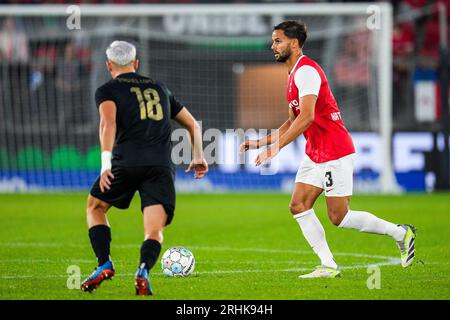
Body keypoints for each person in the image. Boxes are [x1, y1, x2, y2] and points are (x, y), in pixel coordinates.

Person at [240, 21, 416, 278]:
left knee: (339, 217)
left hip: (335, 150)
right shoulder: (292, 75)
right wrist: (261, 142)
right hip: (315, 152)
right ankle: (329, 265)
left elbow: (307, 117)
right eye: (273, 41)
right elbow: (292, 120)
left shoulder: (307, 72)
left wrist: (276, 148)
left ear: (294, 43)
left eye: (278, 40)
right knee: (298, 205)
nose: (272, 46)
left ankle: (401, 233)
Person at [80, 41, 208, 295]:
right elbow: (193, 124)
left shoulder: (108, 90)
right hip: (159, 167)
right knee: (154, 230)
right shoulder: (160, 88)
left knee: (95, 207)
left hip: (125, 163)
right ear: (136, 63)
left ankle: (104, 263)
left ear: (108, 65)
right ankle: (143, 270)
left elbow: (108, 124)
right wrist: (198, 156)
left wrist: (105, 165)